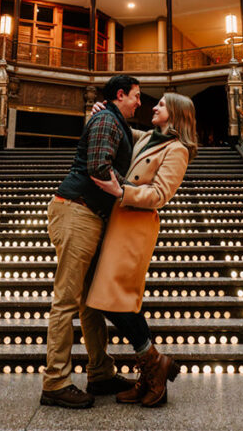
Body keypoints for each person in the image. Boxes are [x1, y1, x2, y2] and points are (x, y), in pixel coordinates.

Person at [86, 92, 198, 407]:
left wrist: (124, 191)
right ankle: (153, 369)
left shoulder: (178, 150)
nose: (154, 106)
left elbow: (161, 193)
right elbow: (118, 129)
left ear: (175, 113)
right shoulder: (146, 136)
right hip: (118, 224)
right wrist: (101, 112)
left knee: (116, 300)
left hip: (135, 228)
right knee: (114, 300)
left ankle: (153, 366)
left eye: (161, 104)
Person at [41, 75, 142, 409]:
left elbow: (149, 142)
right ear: (120, 94)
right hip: (76, 211)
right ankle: (55, 382)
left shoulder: (116, 123)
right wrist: (135, 193)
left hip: (88, 215)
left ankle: (100, 372)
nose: (139, 103)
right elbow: (99, 169)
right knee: (67, 299)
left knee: (91, 300)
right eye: (136, 96)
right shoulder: (105, 119)